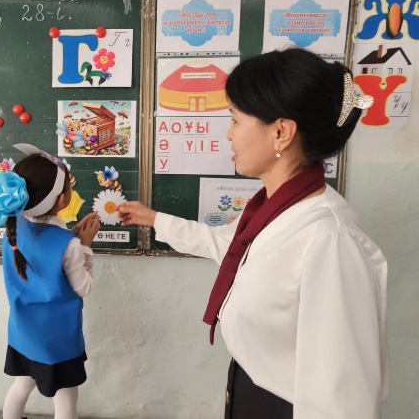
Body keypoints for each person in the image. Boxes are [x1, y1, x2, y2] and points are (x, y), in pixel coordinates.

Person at [117, 48, 389, 419]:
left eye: (234, 119)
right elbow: (229, 248)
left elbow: (343, 394)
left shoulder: (329, 238)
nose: (228, 134)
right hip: (249, 390)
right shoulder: (273, 209)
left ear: (281, 133)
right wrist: (154, 219)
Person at [0, 145, 101, 419]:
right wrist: (85, 246)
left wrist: (73, 240)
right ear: (62, 200)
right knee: (65, 396)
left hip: (24, 331)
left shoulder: (14, 227)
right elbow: (83, 287)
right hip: (59, 338)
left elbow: (43, 256)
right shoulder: (68, 245)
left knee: (22, 384)